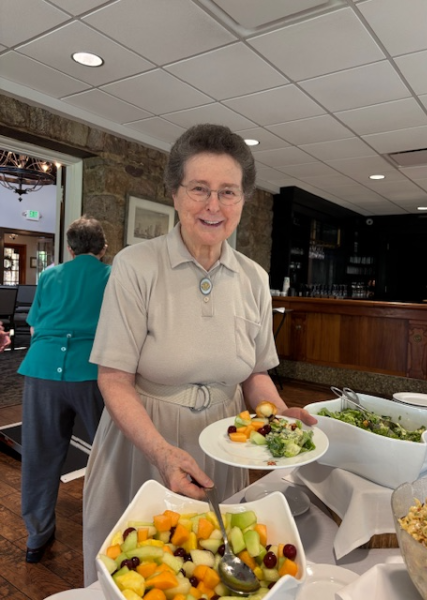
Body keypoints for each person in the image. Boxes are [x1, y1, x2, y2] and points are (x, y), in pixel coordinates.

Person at [83, 123, 317, 584]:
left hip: (223, 443)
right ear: (175, 193)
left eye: (228, 192)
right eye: (199, 189)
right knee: (138, 568)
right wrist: (162, 453)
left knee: (210, 569)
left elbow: (254, 374)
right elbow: (113, 378)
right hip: (143, 442)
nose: (214, 206)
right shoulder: (136, 266)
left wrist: (278, 416)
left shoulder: (253, 278)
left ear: (243, 200)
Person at [18, 216, 111, 564]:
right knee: (109, 454)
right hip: (92, 372)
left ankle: (36, 536)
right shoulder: (112, 275)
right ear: (103, 248)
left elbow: (34, 324)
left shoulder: (49, 275)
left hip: (41, 369)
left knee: (40, 455)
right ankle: (111, 529)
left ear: (70, 248)